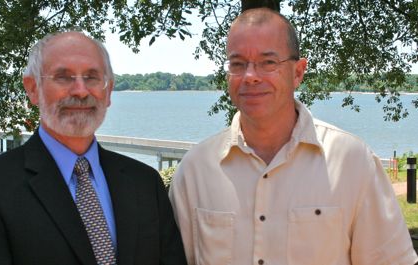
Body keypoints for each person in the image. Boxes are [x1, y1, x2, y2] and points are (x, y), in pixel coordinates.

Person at [169, 8, 418, 265]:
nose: (250, 76)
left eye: (268, 62)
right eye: (238, 64)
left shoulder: (352, 162)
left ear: (298, 73)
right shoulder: (194, 172)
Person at [0, 31, 187, 265]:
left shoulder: (145, 182)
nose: (81, 91)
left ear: (108, 91)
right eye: (63, 77)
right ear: (33, 89)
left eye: (92, 77)